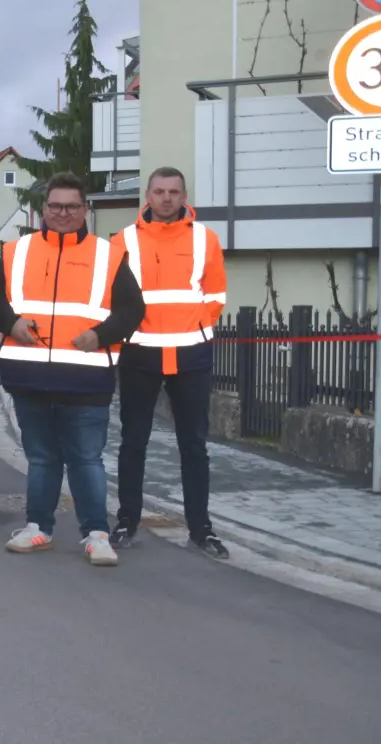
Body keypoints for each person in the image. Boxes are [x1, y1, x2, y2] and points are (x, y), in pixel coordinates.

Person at [0, 171, 144, 566]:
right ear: (44, 209)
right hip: (30, 377)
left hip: (86, 379)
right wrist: (10, 323)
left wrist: (102, 334)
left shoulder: (108, 255)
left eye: (72, 206)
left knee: (86, 459)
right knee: (41, 459)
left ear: (85, 210)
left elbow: (133, 310)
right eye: (56, 206)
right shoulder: (15, 251)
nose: (63, 213)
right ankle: (37, 528)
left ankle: (96, 535)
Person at [111, 167, 230, 559]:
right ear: (147, 194)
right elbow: (115, 298)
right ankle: (128, 520)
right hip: (140, 352)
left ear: (183, 196)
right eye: (159, 191)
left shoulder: (205, 239)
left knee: (194, 445)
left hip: (190, 354)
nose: (166, 198)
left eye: (174, 192)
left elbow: (215, 294)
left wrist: (196, 327)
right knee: (133, 442)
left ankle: (201, 528)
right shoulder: (122, 240)